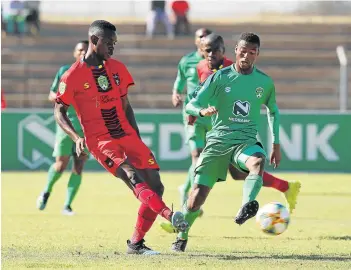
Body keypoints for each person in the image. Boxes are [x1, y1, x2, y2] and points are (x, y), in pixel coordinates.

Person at [54, 20, 188, 255]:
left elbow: (126, 106)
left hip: (126, 134)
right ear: (94, 41)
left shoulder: (117, 68)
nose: (113, 47)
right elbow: (59, 111)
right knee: (131, 175)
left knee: (156, 185)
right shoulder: (72, 75)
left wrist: (136, 138)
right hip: (100, 141)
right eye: (108, 43)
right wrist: (76, 137)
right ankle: (169, 215)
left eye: (115, 43)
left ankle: (135, 244)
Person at [160, 33, 300, 234]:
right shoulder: (216, 75)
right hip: (216, 137)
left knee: (257, 162)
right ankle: (182, 232)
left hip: (244, 141)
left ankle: (246, 205)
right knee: (200, 195)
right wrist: (198, 111)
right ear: (236, 51)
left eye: (251, 52)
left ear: (257, 54)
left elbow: (273, 111)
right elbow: (193, 101)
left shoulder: (264, 82)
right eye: (243, 51)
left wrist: (276, 145)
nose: (246, 56)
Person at [36, 41, 89, 216]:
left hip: (87, 127)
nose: (83, 53)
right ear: (75, 53)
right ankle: (46, 191)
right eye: (80, 50)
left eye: (85, 50)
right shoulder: (65, 71)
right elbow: (52, 94)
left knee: (79, 164)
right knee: (61, 164)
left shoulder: (95, 73)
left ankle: (67, 205)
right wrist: (64, 97)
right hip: (66, 123)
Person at [171, 27, 212, 210]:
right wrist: (176, 94)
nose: (203, 40)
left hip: (212, 116)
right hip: (192, 115)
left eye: (206, 37)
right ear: (196, 40)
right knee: (197, 155)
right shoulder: (187, 61)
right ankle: (191, 199)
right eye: (200, 37)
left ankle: (186, 188)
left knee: (204, 158)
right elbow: (179, 82)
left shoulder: (217, 63)